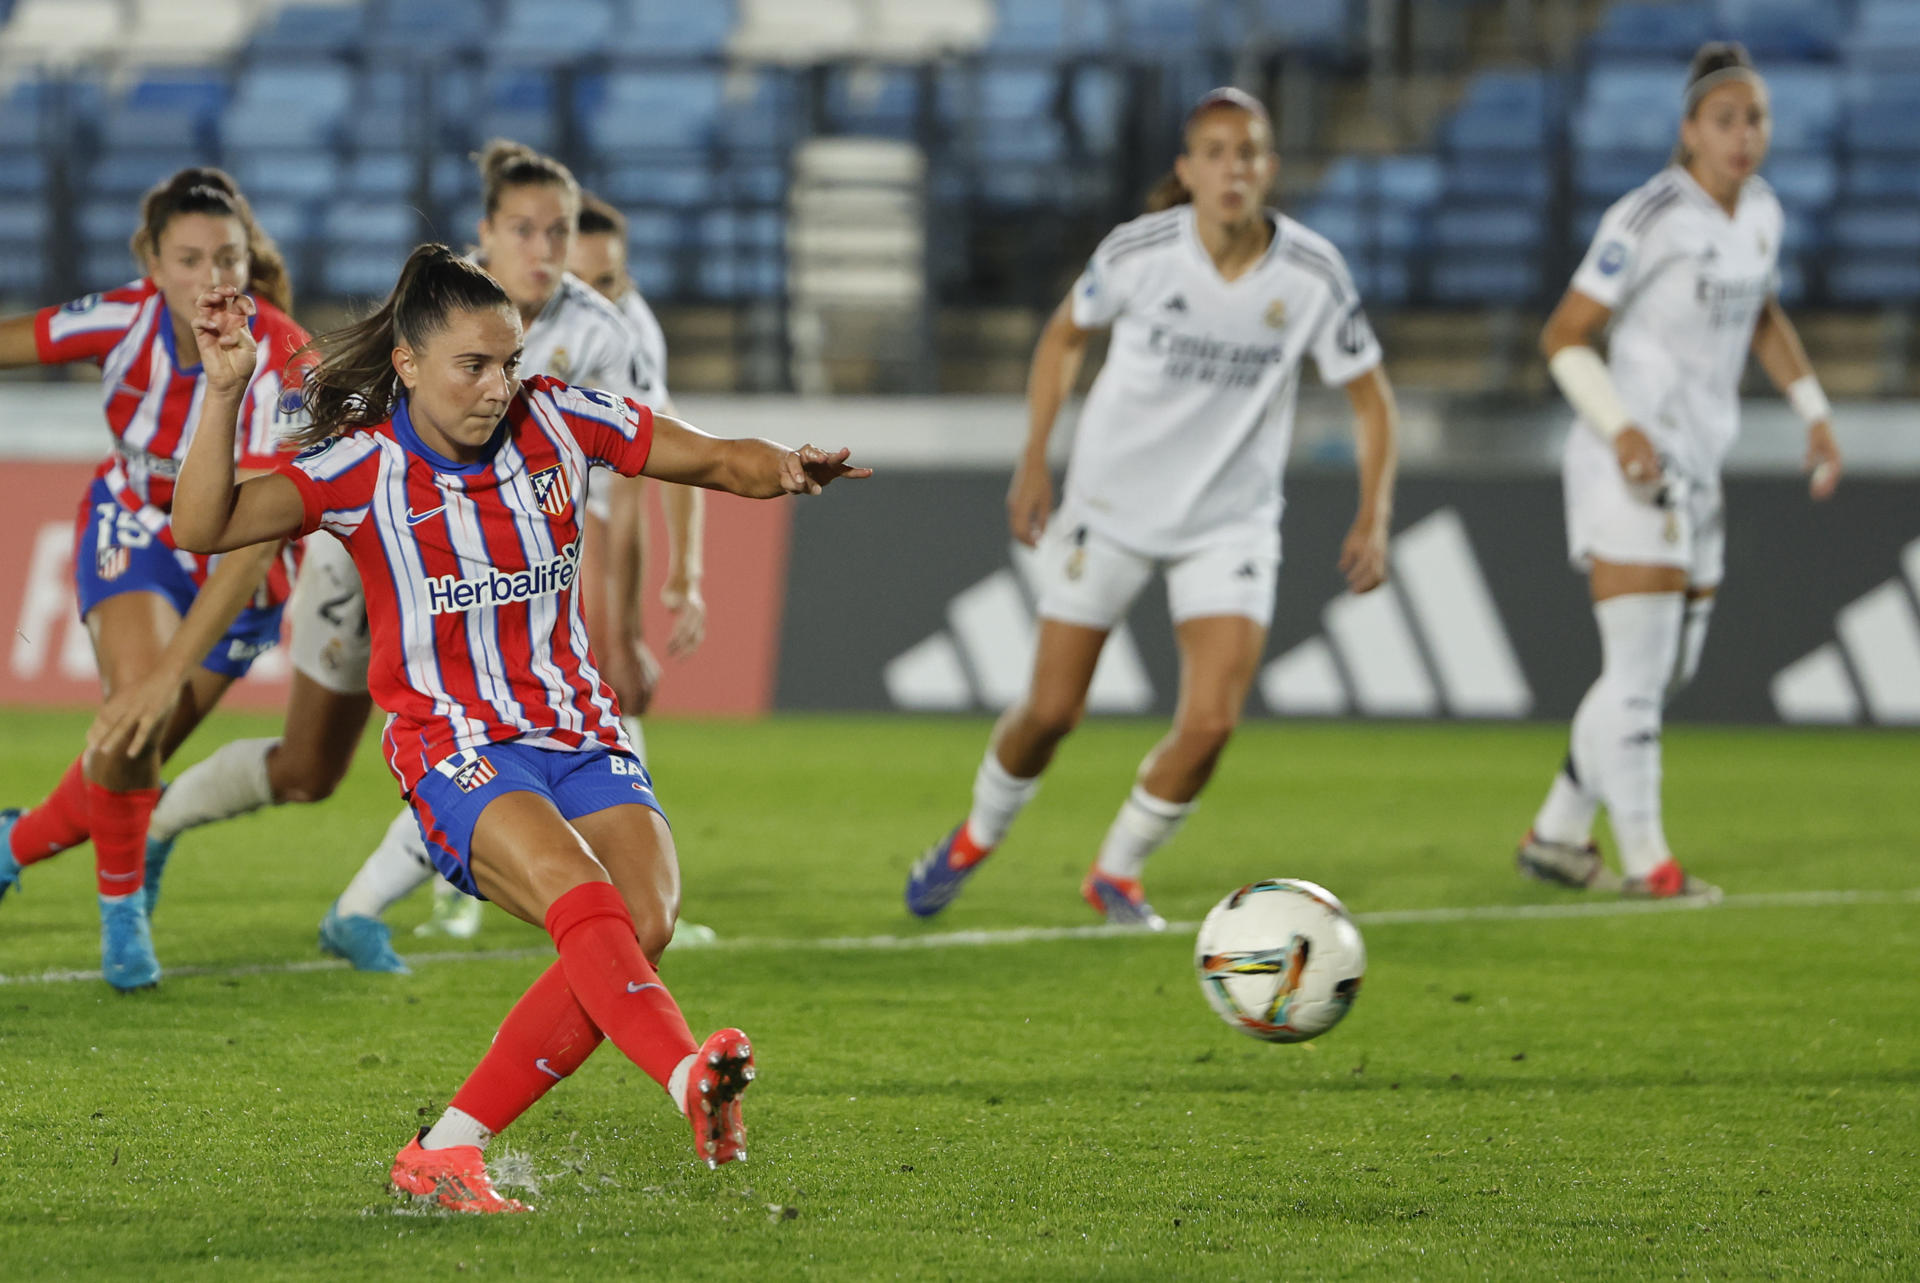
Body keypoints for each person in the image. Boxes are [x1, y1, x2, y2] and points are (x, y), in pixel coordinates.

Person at [164, 246, 867, 1212]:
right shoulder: (363, 469)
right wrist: (221, 392)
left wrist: (785, 466)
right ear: (408, 365)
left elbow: (705, 455)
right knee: (586, 901)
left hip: (579, 730)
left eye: (511, 363)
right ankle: (685, 1080)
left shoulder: (560, 419)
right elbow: (203, 527)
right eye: (474, 366)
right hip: (456, 746)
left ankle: (446, 1149)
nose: (500, 387)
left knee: (644, 919)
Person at [141, 143, 697, 968]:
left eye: (561, 230)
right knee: (308, 767)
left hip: (494, 572)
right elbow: (341, 459)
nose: (545, 249)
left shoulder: (607, 335)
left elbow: (626, 480)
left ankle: (378, 905)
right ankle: (161, 822)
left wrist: (629, 613)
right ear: (488, 234)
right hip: (374, 552)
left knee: (496, 723)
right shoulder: (438, 311)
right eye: (525, 229)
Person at [904, 87, 1399, 929]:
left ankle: (1117, 872)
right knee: (1052, 712)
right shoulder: (1140, 253)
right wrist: (1034, 457)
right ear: (1187, 169)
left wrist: (1374, 512)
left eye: (1248, 152)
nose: (1232, 168)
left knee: (1208, 725)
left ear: (1269, 168)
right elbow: (1064, 335)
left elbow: (1373, 401)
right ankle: (975, 837)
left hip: (1229, 521)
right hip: (1112, 505)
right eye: (1215, 152)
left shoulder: (1312, 274)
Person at [1516, 44, 1842, 901]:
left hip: (1699, 465)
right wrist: (1619, 426)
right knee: (1637, 671)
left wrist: (1813, 411)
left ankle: (1555, 833)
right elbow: (1562, 335)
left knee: (1664, 673)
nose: (1744, 137)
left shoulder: (1761, 213)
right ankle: (1648, 863)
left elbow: (1762, 311)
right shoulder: (1650, 214)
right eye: (1726, 120)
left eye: (1756, 120)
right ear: (1690, 130)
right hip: (1631, 458)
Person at [0, 168, 308, 990]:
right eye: (189, 259)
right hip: (135, 526)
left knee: (129, 750)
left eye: (229, 258)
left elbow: (253, 545)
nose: (213, 279)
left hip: (243, 562)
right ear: (151, 261)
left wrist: (171, 676)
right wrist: (156, 681)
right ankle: (122, 909)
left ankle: (10, 844)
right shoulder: (119, 317)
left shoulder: (288, 359)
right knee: (133, 720)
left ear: (250, 259)